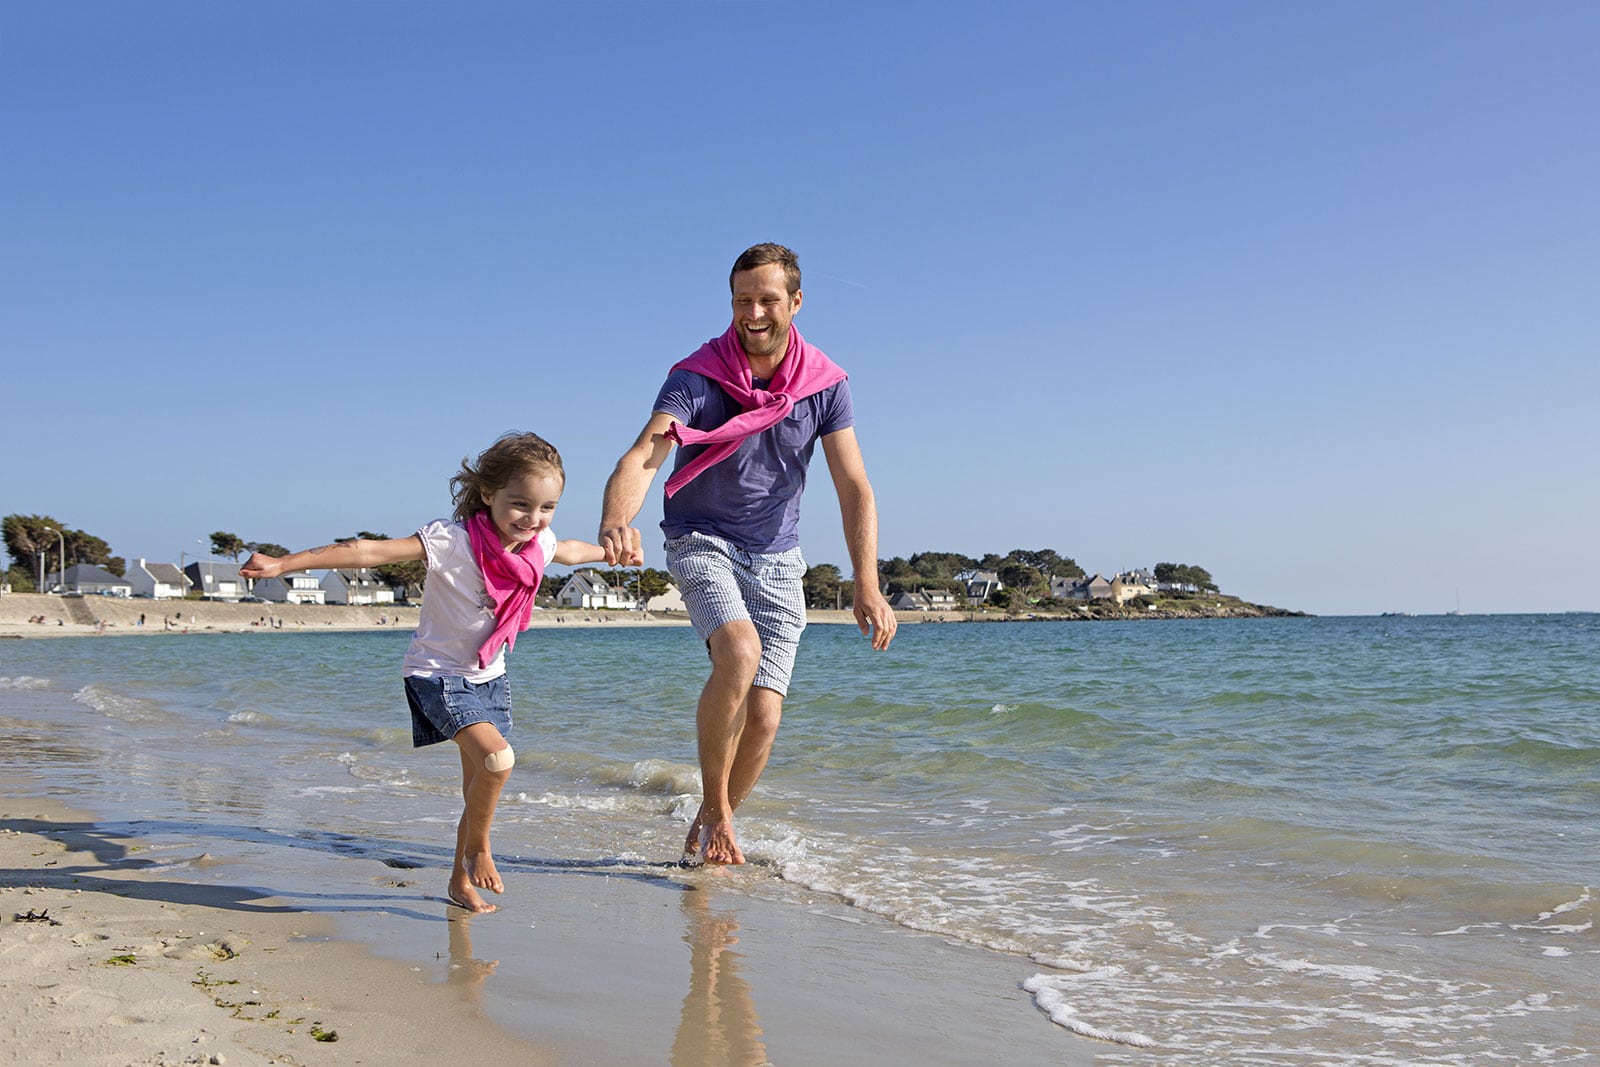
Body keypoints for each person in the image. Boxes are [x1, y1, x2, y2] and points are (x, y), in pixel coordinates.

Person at [599, 242, 897, 867]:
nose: (753, 313)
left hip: (778, 555)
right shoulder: (697, 375)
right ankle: (715, 811)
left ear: (796, 301)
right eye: (742, 300)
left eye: (767, 300)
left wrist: (865, 582)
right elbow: (644, 455)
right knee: (738, 651)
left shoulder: (825, 384)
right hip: (699, 536)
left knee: (763, 716)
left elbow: (854, 485)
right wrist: (616, 519)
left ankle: (710, 829)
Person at [240, 432, 606, 912]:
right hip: (435, 674)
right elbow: (367, 552)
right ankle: (479, 849)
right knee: (499, 761)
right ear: (487, 495)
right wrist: (285, 562)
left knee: (477, 786)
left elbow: (573, 551)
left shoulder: (538, 543)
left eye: (547, 508)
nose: (533, 519)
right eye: (520, 504)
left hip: (488, 676)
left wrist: (613, 551)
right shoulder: (451, 541)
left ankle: (460, 881)